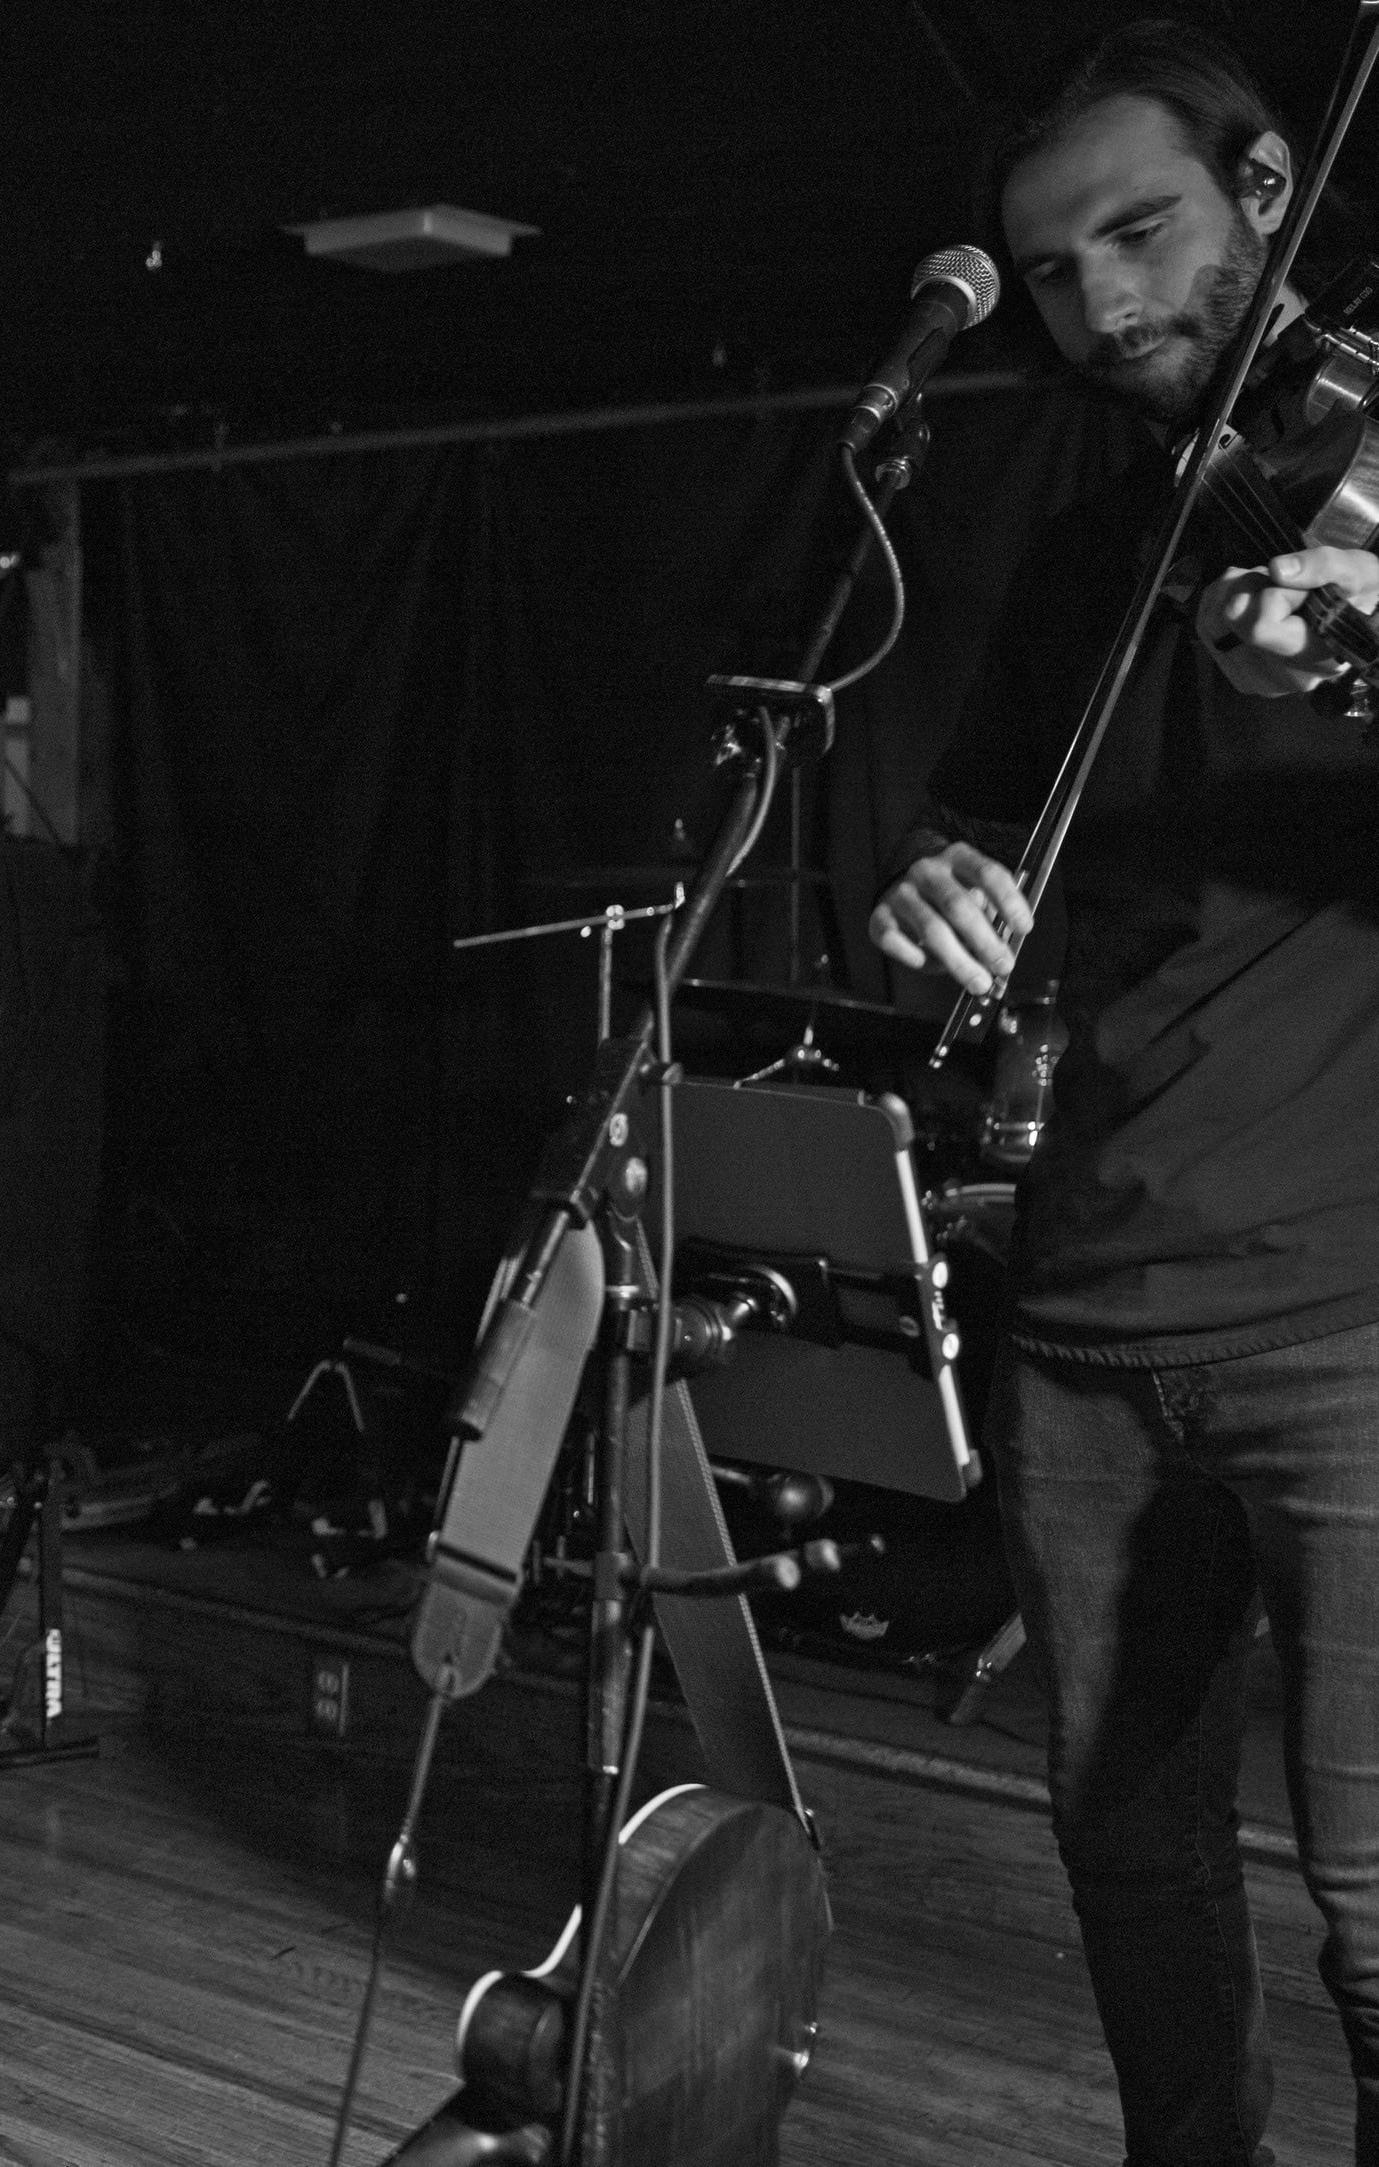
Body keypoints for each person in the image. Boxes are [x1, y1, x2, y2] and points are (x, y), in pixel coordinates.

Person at [872, 23, 1379, 2161]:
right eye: (1050, 271)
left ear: (1267, 189)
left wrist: (1361, 650)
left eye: (1140, 231)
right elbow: (976, 827)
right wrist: (929, 886)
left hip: (1347, 1313)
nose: (1099, 303)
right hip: (1087, 1307)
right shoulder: (1095, 550)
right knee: (1131, 1865)